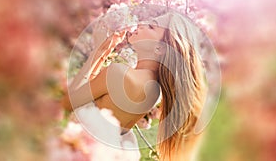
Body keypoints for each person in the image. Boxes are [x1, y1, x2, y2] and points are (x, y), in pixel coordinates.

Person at [62, 11, 207, 161]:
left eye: (151, 26)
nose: (141, 24)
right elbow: (94, 94)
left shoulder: (120, 73)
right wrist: (104, 50)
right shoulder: (154, 90)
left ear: (160, 48)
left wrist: (98, 50)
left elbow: (68, 103)